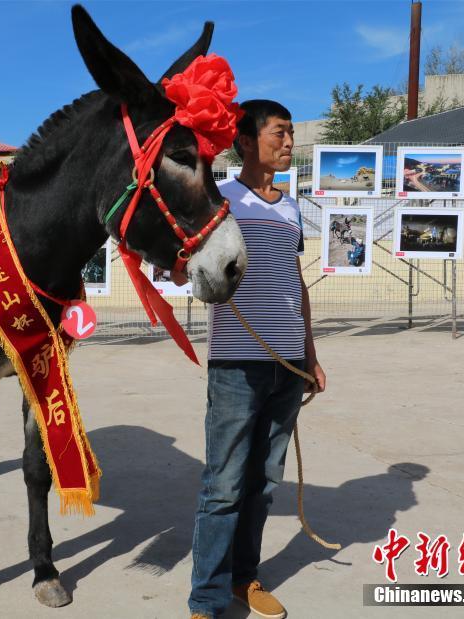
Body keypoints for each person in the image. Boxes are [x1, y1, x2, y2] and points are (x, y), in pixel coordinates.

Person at [178, 100, 326, 619]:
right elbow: (192, 265)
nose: (289, 143)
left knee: (264, 483)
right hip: (237, 364)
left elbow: (295, 281)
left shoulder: (290, 206)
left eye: (291, 134)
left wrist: (309, 352)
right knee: (224, 486)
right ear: (245, 140)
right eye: (279, 133)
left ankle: (245, 580)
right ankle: (207, 599)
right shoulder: (219, 199)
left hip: (286, 364)